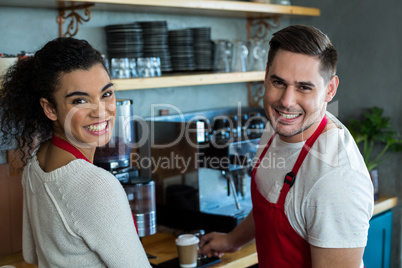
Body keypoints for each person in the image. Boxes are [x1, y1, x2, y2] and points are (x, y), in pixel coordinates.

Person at [199, 25, 374, 268]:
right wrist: (231, 241)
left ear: (330, 90)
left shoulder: (336, 181)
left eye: (304, 87)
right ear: (266, 77)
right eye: (279, 82)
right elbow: (270, 198)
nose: (286, 101)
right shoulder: (278, 125)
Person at [0, 37, 151, 267]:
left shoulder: (36, 161)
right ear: (50, 108)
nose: (101, 111)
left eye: (106, 94)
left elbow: (31, 253)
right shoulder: (97, 186)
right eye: (80, 100)